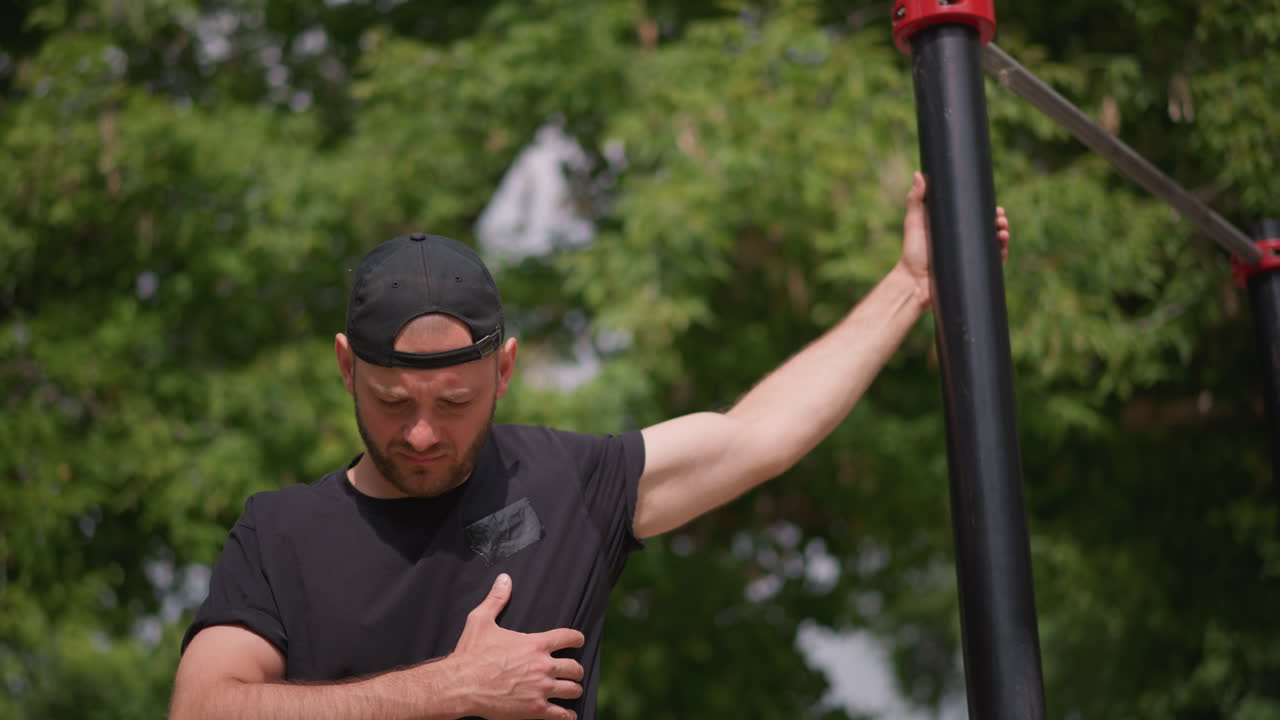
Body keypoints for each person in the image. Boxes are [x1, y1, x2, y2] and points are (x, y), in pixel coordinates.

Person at [169, 173, 1010, 720]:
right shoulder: (280, 532)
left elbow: (759, 436)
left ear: (504, 371)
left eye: (454, 403)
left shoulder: (566, 482)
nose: (421, 432)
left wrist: (911, 286)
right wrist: (451, 688)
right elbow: (202, 707)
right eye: (392, 402)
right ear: (347, 369)